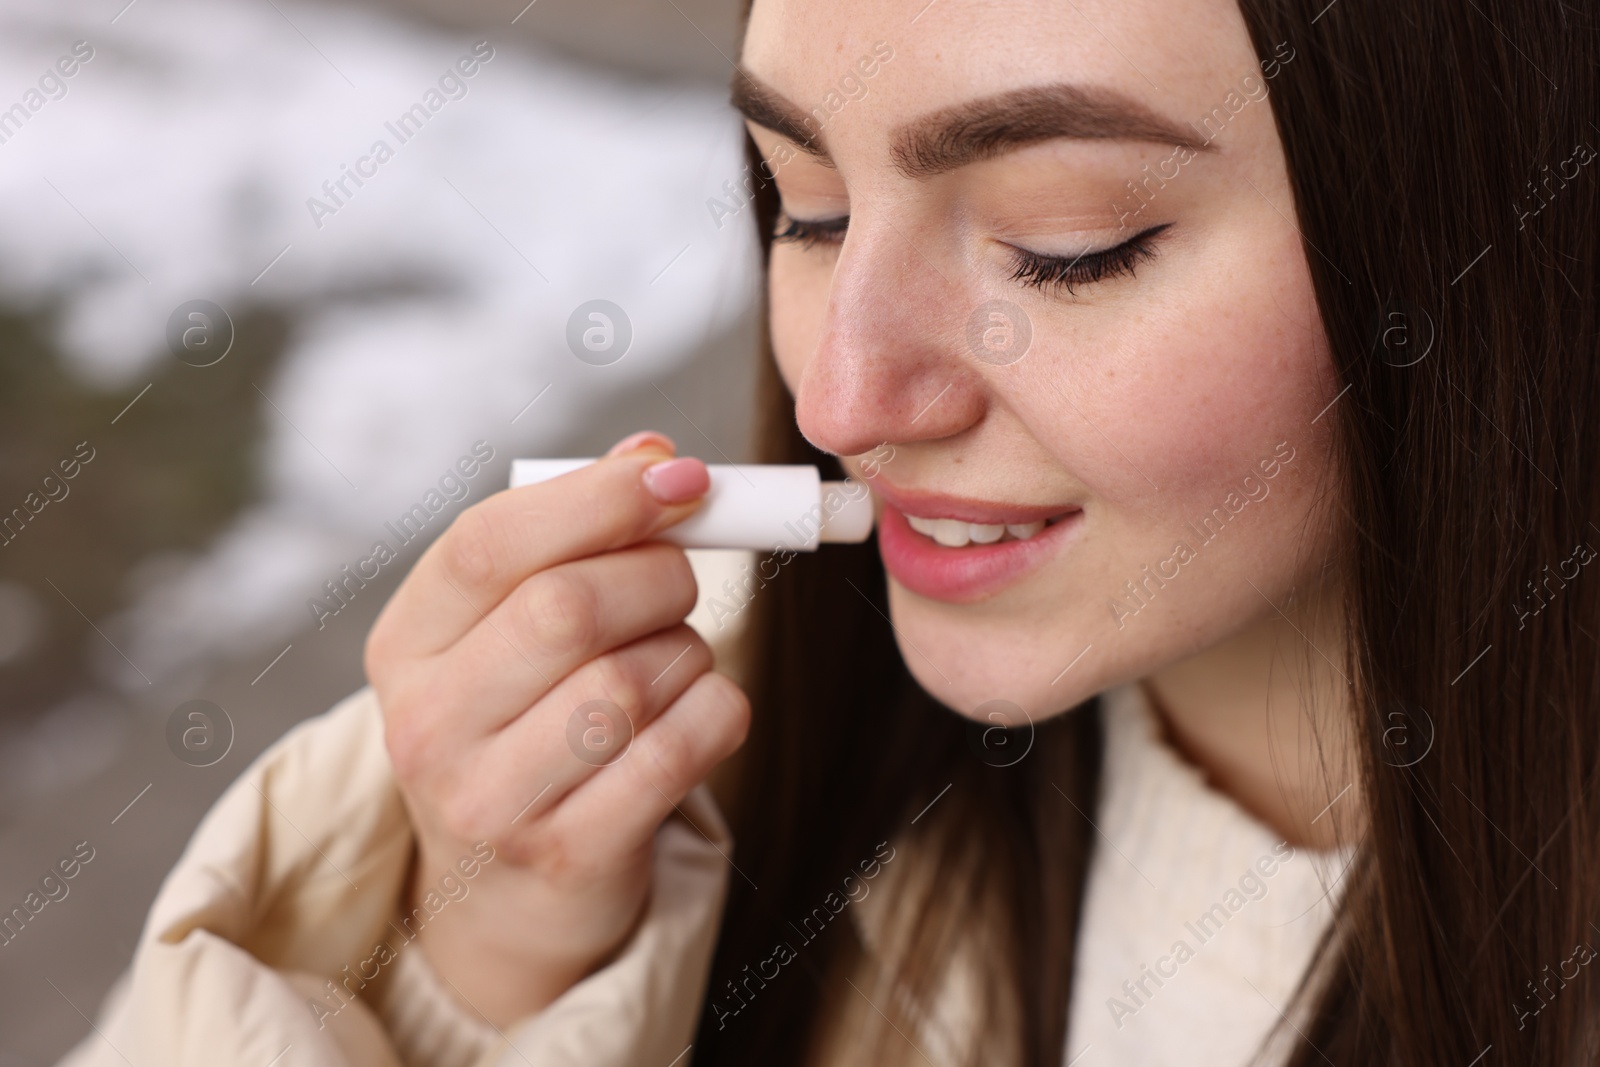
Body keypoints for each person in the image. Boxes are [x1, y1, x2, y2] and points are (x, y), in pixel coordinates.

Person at [60, 0, 1598, 1064]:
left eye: (1067, 247)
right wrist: (488, 967)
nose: (846, 399)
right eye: (805, 207)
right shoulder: (655, 733)